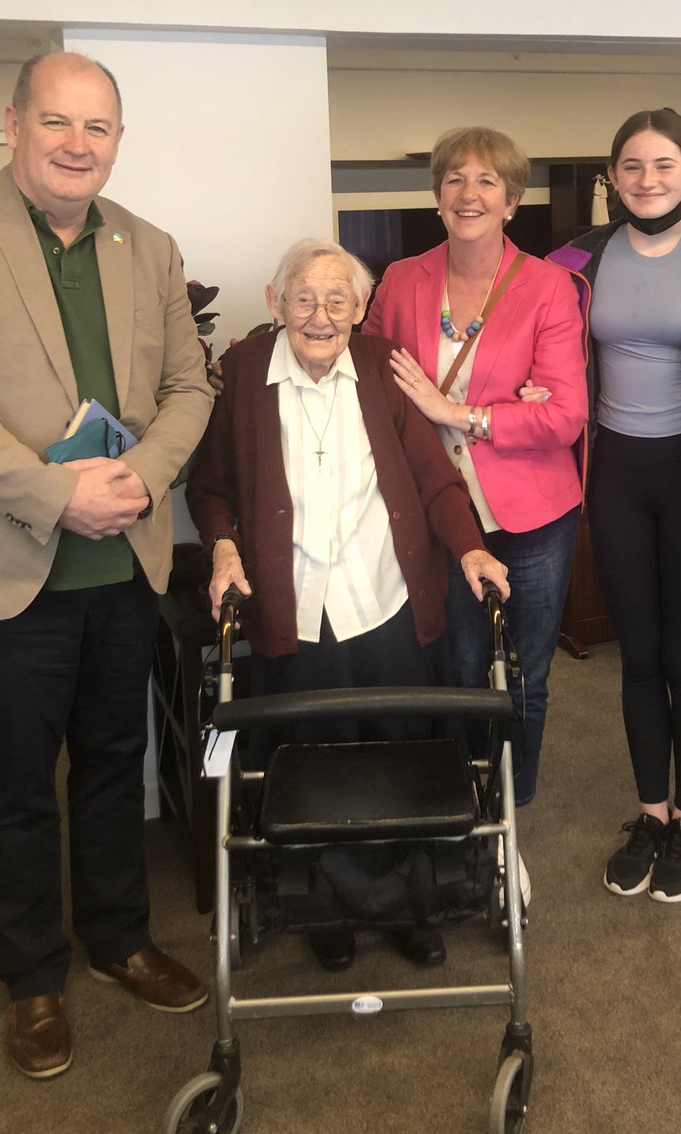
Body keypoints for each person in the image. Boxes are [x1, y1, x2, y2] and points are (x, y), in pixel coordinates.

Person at [0, 52, 214, 1079]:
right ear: (14, 123)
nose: (78, 145)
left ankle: (117, 936)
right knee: (16, 784)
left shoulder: (146, 245)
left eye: (98, 128)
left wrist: (142, 479)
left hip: (120, 566)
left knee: (118, 765)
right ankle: (31, 976)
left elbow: (188, 387)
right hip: (0, 566)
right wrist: (56, 491)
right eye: (58, 123)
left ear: (118, 139)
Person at [185, 237, 510, 973]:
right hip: (291, 610)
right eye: (304, 298)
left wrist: (470, 551)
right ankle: (323, 905)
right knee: (309, 760)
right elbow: (210, 488)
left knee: (399, 753)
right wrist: (224, 547)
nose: (322, 315)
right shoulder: (240, 374)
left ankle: (405, 903)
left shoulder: (382, 365)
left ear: (361, 310)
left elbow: (435, 482)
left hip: (385, 601)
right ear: (276, 303)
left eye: (339, 300)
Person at [547, 108, 681, 903]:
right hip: (616, 473)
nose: (647, 180)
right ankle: (653, 814)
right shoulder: (574, 261)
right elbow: (547, 348)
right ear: (611, 177)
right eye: (631, 166)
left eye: (664, 165)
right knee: (637, 657)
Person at [363, 126, 588, 822]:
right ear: (437, 196)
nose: (469, 192)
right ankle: (463, 795)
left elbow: (565, 418)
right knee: (458, 664)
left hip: (534, 509)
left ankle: (512, 798)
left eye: (487, 181)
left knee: (526, 669)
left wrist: (457, 412)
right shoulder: (402, 280)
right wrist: (507, 404)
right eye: (455, 179)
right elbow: (370, 380)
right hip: (440, 507)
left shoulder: (549, 287)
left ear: (512, 200)